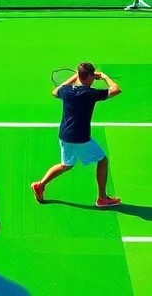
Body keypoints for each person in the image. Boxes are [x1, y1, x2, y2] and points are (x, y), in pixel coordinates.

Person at [32, 63, 122, 207]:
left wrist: (76, 76)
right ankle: (102, 198)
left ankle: (40, 185)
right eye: (92, 76)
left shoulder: (66, 91)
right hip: (80, 139)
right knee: (103, 160)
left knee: (65, 165)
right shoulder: (90, 94)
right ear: (91, 76)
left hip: (65, 136)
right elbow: (116, 89)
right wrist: (104, 76)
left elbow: (55, 91)